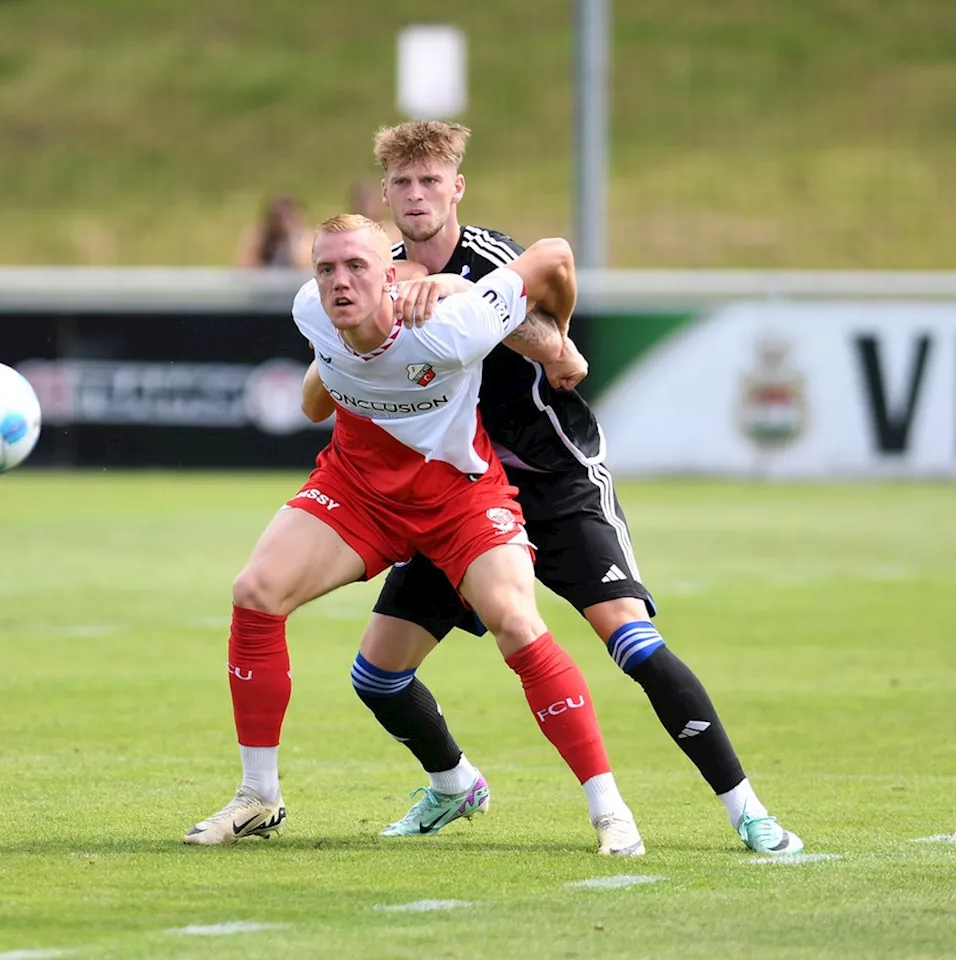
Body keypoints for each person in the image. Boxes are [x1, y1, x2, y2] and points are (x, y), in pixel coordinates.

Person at [300, 120, 803, 855]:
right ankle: (452, 784)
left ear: (456, 188)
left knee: (631, 641)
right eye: (402, 184)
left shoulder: (488, 258)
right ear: (384, 194)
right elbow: (332, 378)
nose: (415, 196)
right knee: (376, 676)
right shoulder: (378, 271)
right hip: (460, 493)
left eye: (430, 181)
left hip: (555, 476)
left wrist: (515, 318)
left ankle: (747, 809)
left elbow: (558, 304)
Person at [184, 214, 645, 857]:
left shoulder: (456, 328)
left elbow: (552, 256)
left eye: (357, 268)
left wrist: (560, 336)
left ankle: (610, 811)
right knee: (256, 591)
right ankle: (258, 796)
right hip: (359, 490)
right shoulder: (309, 313)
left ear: (388, 273)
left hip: (457, 496)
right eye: (326, 269)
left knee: (516, 621)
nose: (339, 283)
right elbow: (316, 397)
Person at [236, 194, 313, 269]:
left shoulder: (305, 240)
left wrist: (293, 236)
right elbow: (246, 269)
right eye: (278, 217)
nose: (282, 223)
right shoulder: (259, 238)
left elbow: (305, 268)